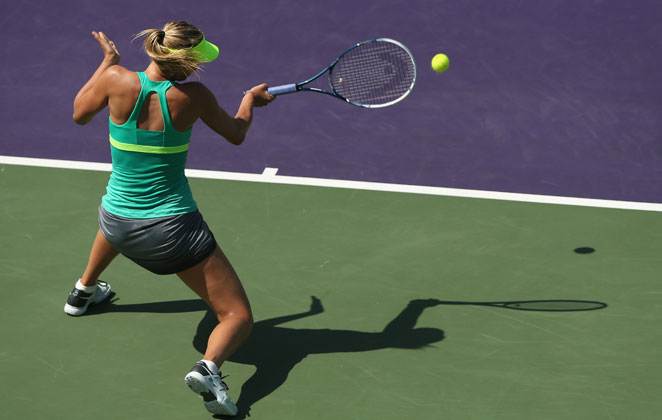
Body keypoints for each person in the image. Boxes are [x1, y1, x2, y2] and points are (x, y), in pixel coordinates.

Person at [64, 21, 274, 416]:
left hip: (115, 220)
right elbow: (236, 133)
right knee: (238, 316)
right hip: (172, 234)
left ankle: (83, 291)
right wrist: (249, 100)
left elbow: (79, 114)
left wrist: (107, 62)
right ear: (189, 63)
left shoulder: (114, 79)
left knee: (119, 215)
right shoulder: (193, 97)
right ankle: (208, 369)